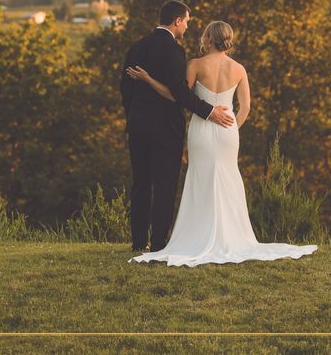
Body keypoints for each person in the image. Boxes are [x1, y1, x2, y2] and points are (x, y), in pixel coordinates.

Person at [126, 19, 318, 266]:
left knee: (201, 177)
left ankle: (196, 235)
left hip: (201, 130)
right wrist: (232, 130)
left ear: (207, 38)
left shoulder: (195, 64)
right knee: (228, 177)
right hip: (228, 131)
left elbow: (177, 96)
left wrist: (149, 79)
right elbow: (246, 107)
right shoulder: (239, 69)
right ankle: (231, 236)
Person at [119, 0, 235, 253]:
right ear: (177, 21)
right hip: (165, 130)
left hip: (137, 127)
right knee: (164, 185)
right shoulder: (173, 51)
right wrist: (209, 112)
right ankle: (159, 243)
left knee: (140, 184)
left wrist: (134, 117)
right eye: (187, 22)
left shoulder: (136, 47)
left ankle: (138, 242)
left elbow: (124, 89)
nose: (187, 27)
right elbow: (179, 93)